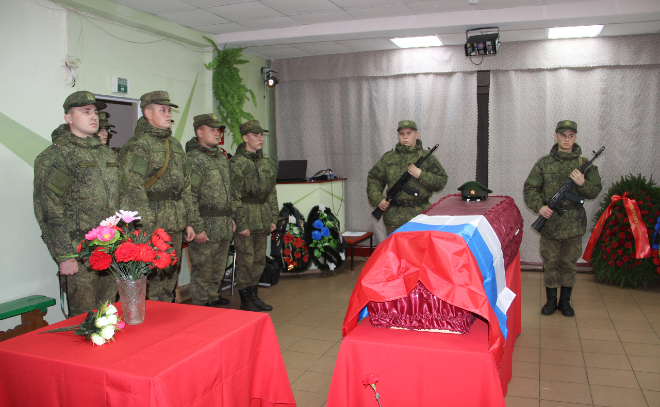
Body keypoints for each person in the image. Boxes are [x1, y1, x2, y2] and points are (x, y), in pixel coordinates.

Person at [33, 91, 119, 317]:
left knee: (107, 313)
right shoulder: (58, 156)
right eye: (86, 111)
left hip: (109, 247)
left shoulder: (105, 155)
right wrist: (64, 255)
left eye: (95, 112)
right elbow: (49, 208)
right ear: (68, 118)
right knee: (84, 318)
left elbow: (121, 199)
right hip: (78, 251)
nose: (94, 116)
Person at [118, 91, 200, 302]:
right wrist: (146, 226)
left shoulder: (174, 145)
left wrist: (190, 221)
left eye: (169, 110)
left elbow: (186, 186)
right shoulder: (138, 146)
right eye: (162, 110)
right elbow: (133, 187)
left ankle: (167, 316)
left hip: (175, 223)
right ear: (148, 113)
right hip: (152, 226)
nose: (168, 114)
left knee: (169, 279)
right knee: (152, 281)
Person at [524, 120, 602, 317]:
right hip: (550, 224)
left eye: (571, 136)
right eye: (563, 135)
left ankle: (565, 301)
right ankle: (551, 300)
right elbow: (530, 189)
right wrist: (540, 207)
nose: (567, 140)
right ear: (556, 136)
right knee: (550, 263)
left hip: (574, 225)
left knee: (569, 264)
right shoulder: (544, 163)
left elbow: (594, 191)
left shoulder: (584, 165)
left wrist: (582, 183)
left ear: (575, 137)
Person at [185, 113, 235, 307]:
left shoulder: (220, 158)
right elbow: (190, 195)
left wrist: (231, 218)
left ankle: (212, 297)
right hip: (205, 224)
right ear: (199, 132)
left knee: (218, 268)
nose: (217, 133)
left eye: (218, 130)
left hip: (223, 223)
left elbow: (228, 191)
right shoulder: (194, 159)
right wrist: (197, 227)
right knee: (203, 270)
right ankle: (200, 305)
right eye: (212, 129)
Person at [367, 120, 448, 235]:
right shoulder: (388, 158)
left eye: (409, 133)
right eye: (402, 133)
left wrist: (421, 175)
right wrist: (378, 199)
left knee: (420, 246)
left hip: (420, 216)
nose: (405, 137)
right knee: (396, 246)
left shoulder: (427, 158)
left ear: (416, 135)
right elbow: (374, 179)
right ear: (398, 135)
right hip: (394, 218)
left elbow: (441, 181)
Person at [230, 120, 278, 311]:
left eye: (261, 135)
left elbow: (272, 193)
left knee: (259, 260)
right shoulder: (237, 163)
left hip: (263, 217)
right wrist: (241, 224)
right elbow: (234, 195)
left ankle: (254, 296)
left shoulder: (265, 163)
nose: (260, 139)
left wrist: (273, 218)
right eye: (255, 135)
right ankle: (245, 299)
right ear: (245, 138)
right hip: (246, 218)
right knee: (246, 260)